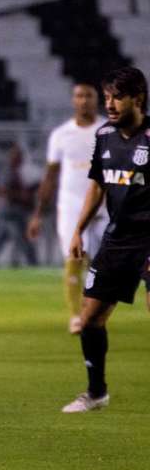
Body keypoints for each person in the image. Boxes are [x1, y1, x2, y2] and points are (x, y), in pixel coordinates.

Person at [61, 66, 150, 413]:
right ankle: (96, 392)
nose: (110, 104)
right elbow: (96, 185)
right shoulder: (104, 136)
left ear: (138, 99)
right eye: (108, 96)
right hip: (118, 238)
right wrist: (78, 229)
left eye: (118, 97)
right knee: (90, 319)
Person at [27, 84, 108, 334]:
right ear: (73, 101)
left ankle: (95, 311)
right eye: (79, 96)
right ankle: (76, 316)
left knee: (101, 263)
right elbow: (50, 177)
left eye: (88, 96)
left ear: (97, 100)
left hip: (105, 204)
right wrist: (38, 214)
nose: (83, 101)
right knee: (74, 258)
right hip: (71, 205)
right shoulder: (61, 135)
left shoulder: (107, 130)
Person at [0, 143, 40, 268]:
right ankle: (32, 263)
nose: (19, 159)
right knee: (23, 239)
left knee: (2, 239)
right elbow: (3, 191)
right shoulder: (8, 172)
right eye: (17, 156)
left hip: (16, 210)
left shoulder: (17, 171)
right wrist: (21, 195)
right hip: (10, 211)